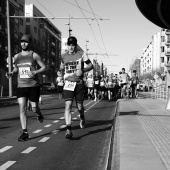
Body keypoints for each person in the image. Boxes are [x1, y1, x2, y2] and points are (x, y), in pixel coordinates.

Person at [6, 35, 46, 141]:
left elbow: (44, 67)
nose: (23, 44)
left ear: (29, 43)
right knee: (22, 108)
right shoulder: (16, 57)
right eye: (22, 42)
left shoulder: (34, 55)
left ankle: (39, 114)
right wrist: (11, 73)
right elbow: (16, 68)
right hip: (21, 85)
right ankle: (25, 132)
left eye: (26, 42)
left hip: (33, 85)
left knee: (34, 107)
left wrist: (35, 72)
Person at [60, 36, 93, 139]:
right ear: (67, 45)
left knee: (79, 107)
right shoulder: (63, 56)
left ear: (75, 45)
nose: (71, 47)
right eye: (69, 45)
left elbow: (91, 66)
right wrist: (60, 73)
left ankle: (82, 117)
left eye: (73, 45)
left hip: (79, 83)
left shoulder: (81, 54)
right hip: (68, 84)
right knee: (68, 105)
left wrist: (83, 71)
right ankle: (69, 130)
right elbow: (61, 68)